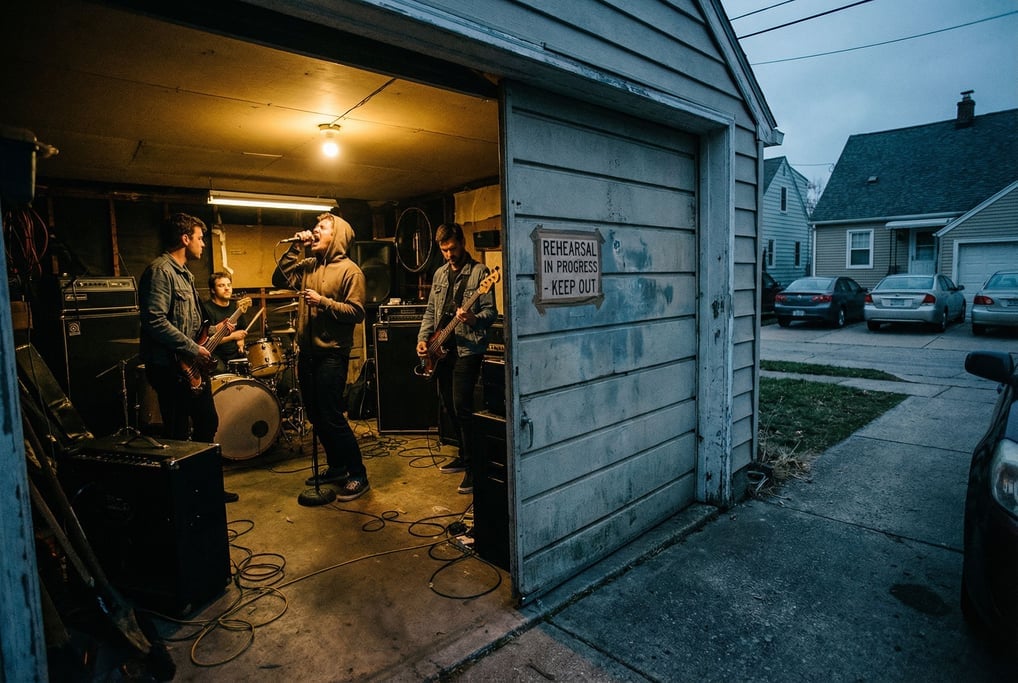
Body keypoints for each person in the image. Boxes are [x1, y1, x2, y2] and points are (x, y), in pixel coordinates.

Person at [138, 213, 238, 502]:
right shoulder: (161, 271)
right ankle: (182, 496)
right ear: (185, 239)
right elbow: (155, 320)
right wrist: (194, 349)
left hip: (190, 366)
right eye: (200, 238)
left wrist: (211, 335)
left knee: (207, 422)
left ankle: (204, 487)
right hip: (170, 367)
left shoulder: (186, 275)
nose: (203, 245)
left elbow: (191, 325)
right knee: (178, 433)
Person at [272, 210, 370, 502]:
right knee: (315, 416)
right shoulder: (309, 264)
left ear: (336, 235)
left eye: (322, 227)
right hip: (308, 354)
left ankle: (358, 474)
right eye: (314, 226)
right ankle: (337, 467)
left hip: (331, 355)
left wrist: (323, 302)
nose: (314, 231)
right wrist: (294, 247)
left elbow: (357, 312)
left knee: (331, 416)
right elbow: (279, 278)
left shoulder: (351, 271)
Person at [416, 222, 497, 495]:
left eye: (452, 248)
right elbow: (430, 312)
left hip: (468, 349)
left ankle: (476, 469)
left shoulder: (481, 274)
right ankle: (463, 455)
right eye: (444, 250)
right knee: (449, 406)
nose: (449, 254)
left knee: (463, 407)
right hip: (442, 348)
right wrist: (423, 340)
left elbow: (491, 314)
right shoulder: (439, 274)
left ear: (462, 243)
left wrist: (473, 318)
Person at [203, 271, 249, 374]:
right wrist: (233, 336)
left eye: (229, 285)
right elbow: (207, 342)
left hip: (234, 354)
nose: (227, 288)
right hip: (214, 354)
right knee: (220, 370)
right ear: (213, 290)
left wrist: (241, 342)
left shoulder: (236, 307)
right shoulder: (206, 309)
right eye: (221, 285)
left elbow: (241, 329)